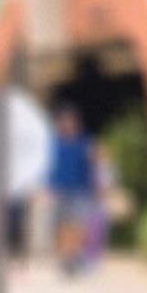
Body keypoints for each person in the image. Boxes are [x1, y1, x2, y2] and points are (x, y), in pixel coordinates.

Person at [48, 107, 103, 275]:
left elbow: (96, 163)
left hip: (81, 190)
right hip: (59, 190)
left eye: (70, 121)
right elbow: (47, 168)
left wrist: (98, 184)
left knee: (78, 225)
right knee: (62, 225)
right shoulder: (53, 144)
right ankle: (65, 257)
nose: (68, 124)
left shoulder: (84, 142)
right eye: (64, 121)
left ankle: (74, 255)